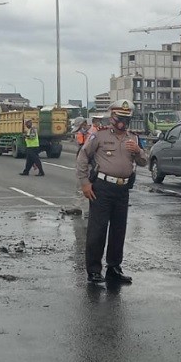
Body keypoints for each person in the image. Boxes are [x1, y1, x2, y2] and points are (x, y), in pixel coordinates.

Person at [77, 99, 147, 284]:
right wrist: (85, 183)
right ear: (112, 117)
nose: (123, 121)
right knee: (98, 230)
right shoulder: (99, 136)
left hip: (122, 188)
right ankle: (93, 270)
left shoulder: (133, 138)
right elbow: (83, 157)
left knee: (118, 230)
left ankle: (114, 268)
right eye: (120, 117)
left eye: (126, 118)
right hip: (102, 187)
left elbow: (143, 162)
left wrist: (138, 151)